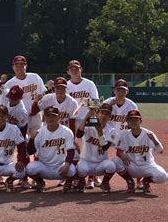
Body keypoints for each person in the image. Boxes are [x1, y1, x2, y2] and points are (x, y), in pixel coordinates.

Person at [114, 110, 167, 193]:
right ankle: (130, 181)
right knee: (116, 161)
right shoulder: (124, 135)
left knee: (163, 176)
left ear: (140, 121)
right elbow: (119, 150)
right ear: (127, 122)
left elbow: (160, 151)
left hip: (148, 166)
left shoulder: (148, 134)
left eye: (136, 119)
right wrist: (121, 154)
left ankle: (146, 181)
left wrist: (155, 140)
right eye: (131, 119)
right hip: (131, 166)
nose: (133, 121)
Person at [26, 107, 77, 193]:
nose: (51, 119)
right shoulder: (39, 132)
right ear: (44, 118)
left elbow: (71, 151)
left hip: (61, 168)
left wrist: (67, 165)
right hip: (44, 167)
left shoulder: (66, 131)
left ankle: (68, 182)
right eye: (48, 116)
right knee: (30, 168)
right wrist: (31, 139)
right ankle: (40, 182)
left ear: (59, 117)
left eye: (53, 116)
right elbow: (31, 152)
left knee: (72, 170)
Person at [66, 59, 100, 188]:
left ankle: (92, 177)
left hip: (89, 118)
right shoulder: (66, 85)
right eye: (72, 68)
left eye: (77, 67)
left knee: (91, 145)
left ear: (81, 69)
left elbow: (96, 103)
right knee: (73, 147)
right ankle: (74, 176)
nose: (74, 70)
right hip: (73, 120)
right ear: (68, 71)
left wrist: (90, 114)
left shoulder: (89, 84)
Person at [75, 103, 117, 193]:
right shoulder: (89, 124)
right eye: (102, 112)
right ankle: (82, 181)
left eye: (107, 114)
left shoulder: (111, 130)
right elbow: (78, 135)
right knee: (80, 169)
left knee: (111, 166)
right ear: (98, 113)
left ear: (110, 117)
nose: (104, 115)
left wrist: (100, 132)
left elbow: (105, 147)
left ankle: (105, 182)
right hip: (86, 161)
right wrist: (86, 117)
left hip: (101, 163)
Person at [3, 55, 46, 135]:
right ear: (13, 67)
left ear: (26, 66)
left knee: (37, 138)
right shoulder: (9, 84)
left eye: (22, 65)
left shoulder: (35, 77)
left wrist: (44, 111)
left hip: (36, 114)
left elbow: (43, 94)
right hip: (20, 116)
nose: (19, 67)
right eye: (16, 65)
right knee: (22, 139)